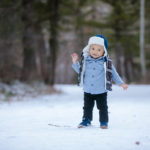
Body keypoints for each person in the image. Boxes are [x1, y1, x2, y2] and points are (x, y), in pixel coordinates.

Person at [71, 35, 128, 129]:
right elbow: (80, 71)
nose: (95, 52)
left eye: (99, 50)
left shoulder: (106, 62)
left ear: (104, 51)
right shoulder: (85, 61)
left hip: (101, 90)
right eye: (93, 48)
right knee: (87, 107)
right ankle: (86, 120)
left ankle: (104, 122)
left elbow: (113, 74)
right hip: (88, 90)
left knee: (102, 107)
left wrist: (121, 83)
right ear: (88, 49)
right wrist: (74, 62)